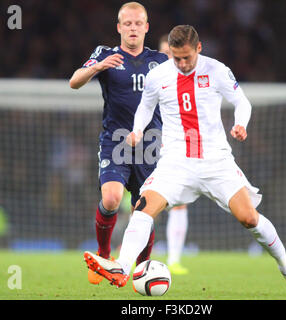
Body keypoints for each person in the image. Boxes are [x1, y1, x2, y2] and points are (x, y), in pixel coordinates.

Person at [84, 25, 286, 296]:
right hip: (176, 162)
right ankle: (121, 266)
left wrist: (241, 124)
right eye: (176, 57)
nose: (181, 63)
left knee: (250, 218)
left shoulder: (216, 70)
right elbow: (145, 107)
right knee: (143, 208)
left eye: (187, 57)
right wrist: (136, 130)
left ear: (199, 49)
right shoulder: (158, 75)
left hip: (215, 161)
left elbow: (242, 102)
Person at [70, 2, 168, 285]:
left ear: (146, 27)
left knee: (144, 209)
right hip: (116, 141)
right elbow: (74, 82)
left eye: (138, 23)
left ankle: (143, 267)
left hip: (151, 144)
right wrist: (98, 67)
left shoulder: (161, 61)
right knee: (111, 199)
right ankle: (104, 253)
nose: (133, 28)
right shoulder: (105, 55)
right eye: (128, 23)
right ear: (119, 27)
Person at [158, 34, 189, 275]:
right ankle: (123, 251)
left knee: (179, 203)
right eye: (165, 54)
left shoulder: (189, 82)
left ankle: (174, 259)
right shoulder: (152, 81)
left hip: (176, 148)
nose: (170, 58)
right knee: (141, 202)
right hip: (148, 147)